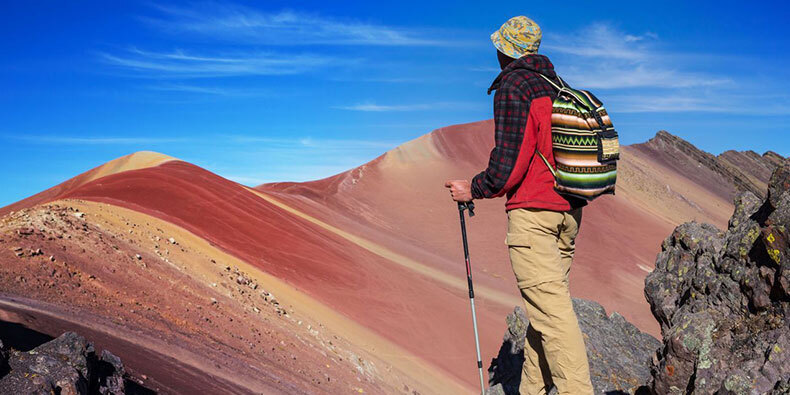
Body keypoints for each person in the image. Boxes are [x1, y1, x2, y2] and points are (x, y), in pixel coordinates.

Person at [444, 16, 594, 395]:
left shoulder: (515, 85)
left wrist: (474, 188)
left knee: (553, 318)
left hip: (534, 218)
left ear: (505, 50)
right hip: (568, 214)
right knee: (543, 314)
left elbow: (508, 166)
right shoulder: (559, 86)